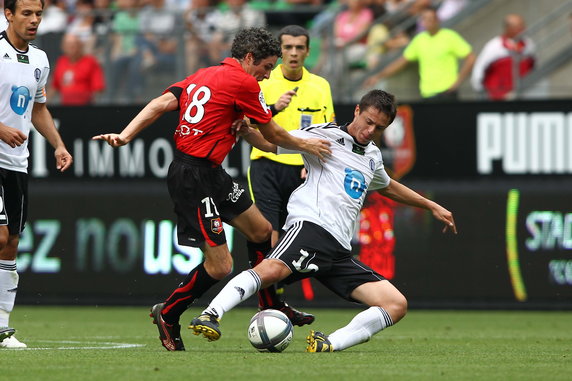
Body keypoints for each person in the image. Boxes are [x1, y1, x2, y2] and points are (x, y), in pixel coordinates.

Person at [92, 27, 331, 352]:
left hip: (211, 172)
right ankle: (169, 312)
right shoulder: (244, 82)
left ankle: (270, 305)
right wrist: (307, 146)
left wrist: (126, 134)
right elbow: (272, 134)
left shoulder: (204, 74)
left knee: (261, 231)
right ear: (249, 59)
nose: (266, 75)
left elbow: (160, 103)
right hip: (193, 177)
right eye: (265, 67)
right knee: (221, 266)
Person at [188, 89, 457, 352]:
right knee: (270, 270)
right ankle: (211, 314)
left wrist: (430, 204)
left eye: (379, 128)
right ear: (357, 111)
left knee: (396, 304)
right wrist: (247, 131)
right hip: (311, 227)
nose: (370, 131)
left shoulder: (373, 156)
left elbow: (386, 186)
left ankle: (329, 343)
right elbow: (273, 143)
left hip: (339, 251)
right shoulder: (324, 135)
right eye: (368, 122)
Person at [248, 25, 335, 326]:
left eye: (300, 47)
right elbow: (247, 123)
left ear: (308, 51)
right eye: (288, 47)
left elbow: (330, 130)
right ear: (280, 50)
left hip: (304, 169)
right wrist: (273, 107)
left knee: (301, 238)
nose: (294, 53)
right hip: (267, 163)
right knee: (268, 233)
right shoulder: (263, 81)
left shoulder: (320, 85)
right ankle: (271, 305)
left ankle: (275, 296)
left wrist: (312, 162)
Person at [0, 0, 73, 348]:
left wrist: (57, 144)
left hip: (17, 162)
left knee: (11, 243)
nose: (34, 20)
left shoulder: (40, 60)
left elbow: (38, 108)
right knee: (0, 237)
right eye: (26, 13)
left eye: (38, 14)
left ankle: (1, 328)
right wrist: (0, 129)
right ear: (8, 14)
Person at [364, 6, 475, 101]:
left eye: (430, 19)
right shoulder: (420, 40)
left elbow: (471, 58)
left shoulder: (449, 36)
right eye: (425, 19)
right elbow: (401, 62)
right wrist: (379, 76)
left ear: (437, 20)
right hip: (427, 94)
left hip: (447, 93)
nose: (427, 22)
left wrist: (457, 82)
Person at [471, 13, 535, 101]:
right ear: (508, 28)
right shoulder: (494, 46)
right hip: (497, 97)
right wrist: (480, 90)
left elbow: (534, 65)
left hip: (523, 95)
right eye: (518, 27)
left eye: (523, 26)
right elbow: (480, 67)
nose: (522, 30)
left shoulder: (528, 44)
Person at [50, 32, 106, 105]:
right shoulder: (61, 62)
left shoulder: (91, 62)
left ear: (80, 46)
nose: (71, 48)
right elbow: (54, 86)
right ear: (63, 47)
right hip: (65, 106)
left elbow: (98, 89)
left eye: (74, 45)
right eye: (68, 45)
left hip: (85, 107)